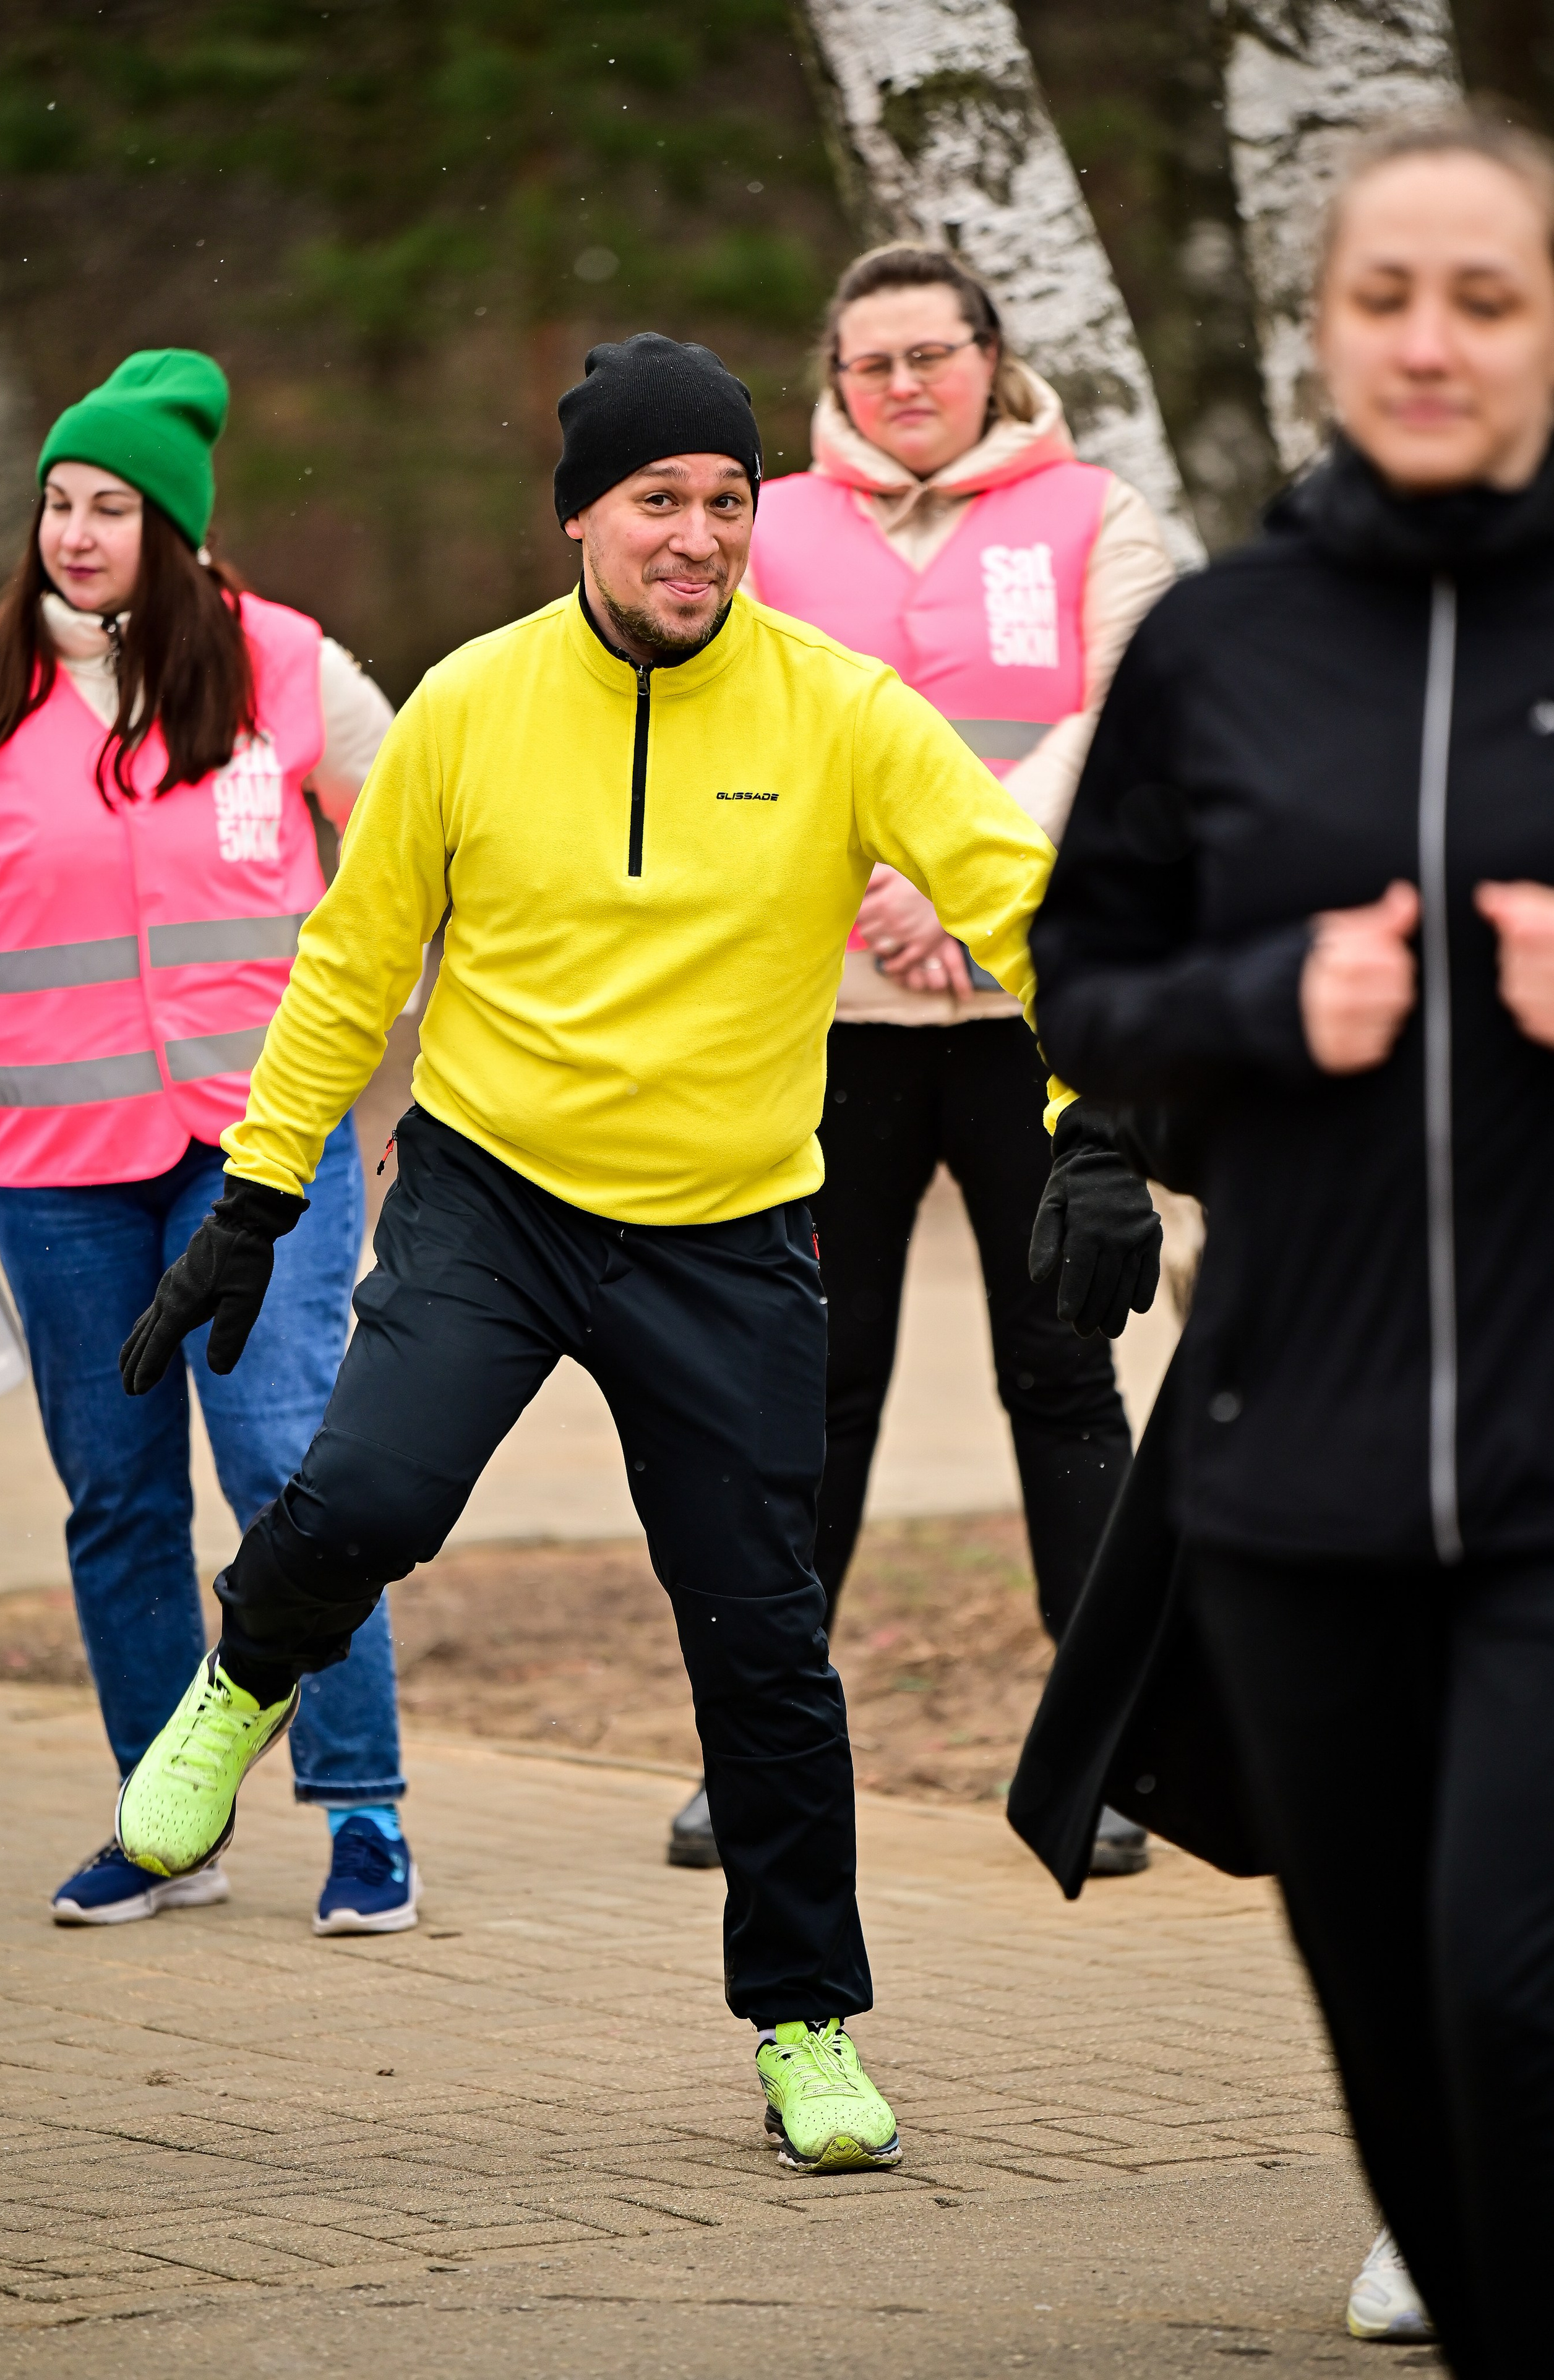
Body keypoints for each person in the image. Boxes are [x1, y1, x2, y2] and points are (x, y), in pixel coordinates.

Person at [101, 332, 1149, 2174]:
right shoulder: (469, 706)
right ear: (580, 512)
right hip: (496, 1198)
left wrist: (1103, 1122)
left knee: (764, 1649)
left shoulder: (839, 708)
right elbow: (356, 964)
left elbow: (1021, 901)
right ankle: (245, 1675)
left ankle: (806, 2025)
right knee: (363, 1495)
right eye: (659, 499)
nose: (699, 537)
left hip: (732, 1233)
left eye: (729, 503)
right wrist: (260, 1193)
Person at [1027, 113, 1554, 2376]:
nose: (1430, 341)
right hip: (1295, 1471)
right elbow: (1084, 986)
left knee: (1507, 1981)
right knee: (1405, 2073)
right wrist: (1270, 1000)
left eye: (1489, 297)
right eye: (1387, 298)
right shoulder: (1223, 647)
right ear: (1324, 325)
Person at [667, 245, 1172, 1881]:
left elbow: (1133, 716)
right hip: (833, 1026)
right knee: (810, 1383)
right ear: (838, 369)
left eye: (929, 353)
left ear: (987, 354)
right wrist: (862, 889)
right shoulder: (774, 524)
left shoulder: (1099, 514)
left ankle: (1108, 1762)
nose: (901, 384)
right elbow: (723, 728)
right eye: (870, 359)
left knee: (1064, 1373)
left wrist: (962, 871)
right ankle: (750, 1759)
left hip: (1040, 1022)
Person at [0, 349, 415, 1936]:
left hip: (259, 1157)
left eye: (112, 506)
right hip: (52, 1174)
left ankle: (363, 1809)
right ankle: (170, 1823)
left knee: (299, 1471)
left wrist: (409, 1049)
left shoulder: (288, 667)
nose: (76, 533)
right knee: (118, 1500)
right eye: (58, 503)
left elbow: (424, 847)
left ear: (178, 527)